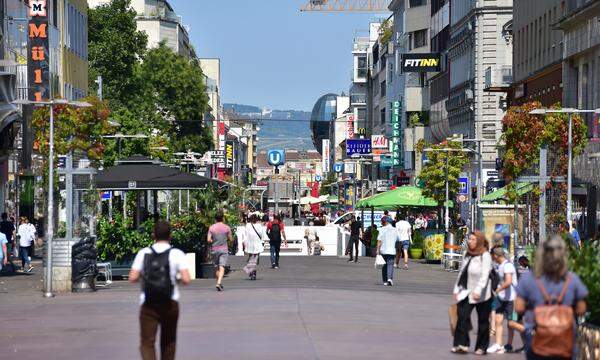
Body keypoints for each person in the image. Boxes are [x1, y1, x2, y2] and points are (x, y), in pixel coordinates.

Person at [515, 236, 588, 359]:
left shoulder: (528, 279)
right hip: (565, 339)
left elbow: (518, 307)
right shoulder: (572, 279)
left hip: (537, 338)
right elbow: (582, 309)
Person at [129, 220, 190, 360]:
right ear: (170, 236)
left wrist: (145, 277)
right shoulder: (177, 254)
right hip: (170, 302)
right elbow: (186, 279)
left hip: (148, 302)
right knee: (169, 342)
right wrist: (176, 278)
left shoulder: (143, 253)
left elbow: (132, 277)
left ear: (153, 235)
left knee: (147, 343)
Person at [451, 231, 493, 355]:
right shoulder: (467, 254)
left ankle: (481, 347)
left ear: (479, 241)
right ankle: (461, 344)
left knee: (483, 321)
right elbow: (462, 273)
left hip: (482, 294)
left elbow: (485, 275)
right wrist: (456, 289)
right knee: (462, 316)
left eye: (473, 240)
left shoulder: (485, 255)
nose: (470, 242)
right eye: (470, 239)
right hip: (467, 291)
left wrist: (478, 290)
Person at [487, 246, 524, 354]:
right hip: (502, 298)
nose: (492, 258)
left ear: (497, 255)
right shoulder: (500, 265)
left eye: (493, 255)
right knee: (498, 320)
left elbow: (508, 281)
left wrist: (498, 289)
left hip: (511, 299)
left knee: (511, 323)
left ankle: (509, 345)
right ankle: (498, 344)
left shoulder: (508, 266)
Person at [207, 211, 233, 291]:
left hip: (214, 249)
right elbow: (231, 239)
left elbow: (208, 240)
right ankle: (218, 283)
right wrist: (226, 239)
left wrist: (214, 240)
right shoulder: (227, 227)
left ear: (215, 218)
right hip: (223, 249)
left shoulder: (211, 228)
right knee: (222, 267)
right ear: (222, 218)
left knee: (217, 268)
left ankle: (219, 282)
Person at [377, 217, 399, 286]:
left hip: (383, 250)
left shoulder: (382, 229)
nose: (382, 223)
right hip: (392, 250)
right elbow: (399, 240)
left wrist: (377, 250)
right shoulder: (395, 230)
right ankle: (389, 279)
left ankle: (385, 281)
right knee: (390, 265)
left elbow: (379, 241)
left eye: (382, 222)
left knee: (384, 266)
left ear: (386, 222)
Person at [243, 214, 266, 280]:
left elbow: (246, 234)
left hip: (250, 243)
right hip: (257, 243)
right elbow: (261, 234)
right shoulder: (259, 225)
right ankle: (252, 271)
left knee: (251, 258)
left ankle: (251, 271)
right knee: (255, 259)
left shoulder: (248, 225)